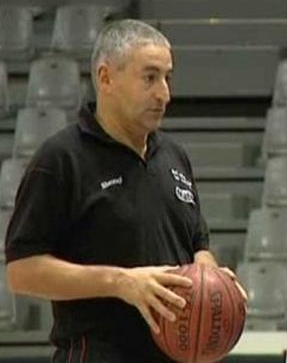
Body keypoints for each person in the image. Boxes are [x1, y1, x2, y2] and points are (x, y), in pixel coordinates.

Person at [4, 19, 235, 363]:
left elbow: (198, 245)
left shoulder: (174, 156)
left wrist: (208, 274)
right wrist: (120, 282)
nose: (164, 94)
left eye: (167, 78)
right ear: (106, 77)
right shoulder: (61, 158)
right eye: (150, 77)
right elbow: (21, 272)